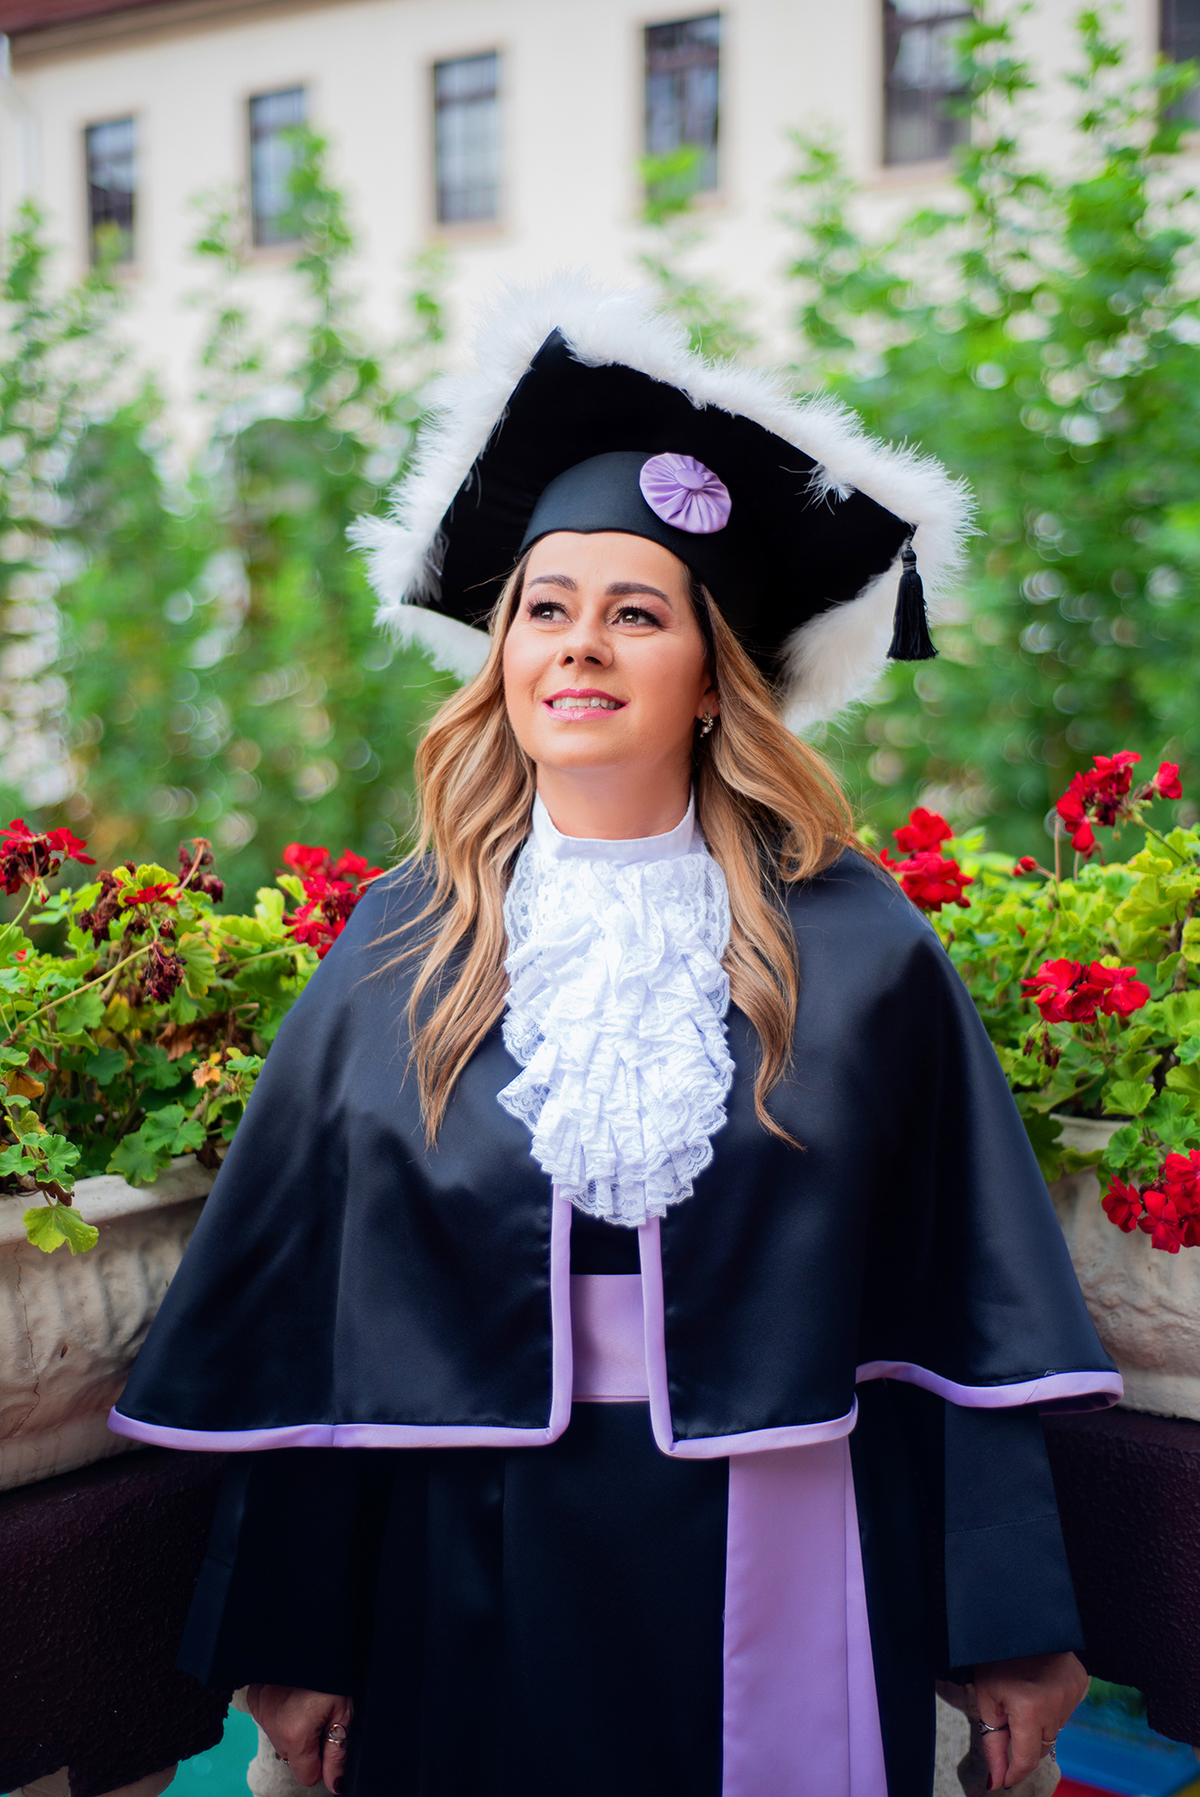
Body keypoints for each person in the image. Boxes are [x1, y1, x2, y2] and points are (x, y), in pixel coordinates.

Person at [110, 279, 1119, 1797]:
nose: (578, 647)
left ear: (715, 674)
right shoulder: (399, 948)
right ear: (502, 651)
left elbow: (954, 1317)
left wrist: (1013, 1622)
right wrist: (299, 1626)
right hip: (463, 1542)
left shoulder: (857, 947)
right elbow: (319, 1322)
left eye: (635, 612)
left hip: (791, 1522)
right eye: (545, 607)